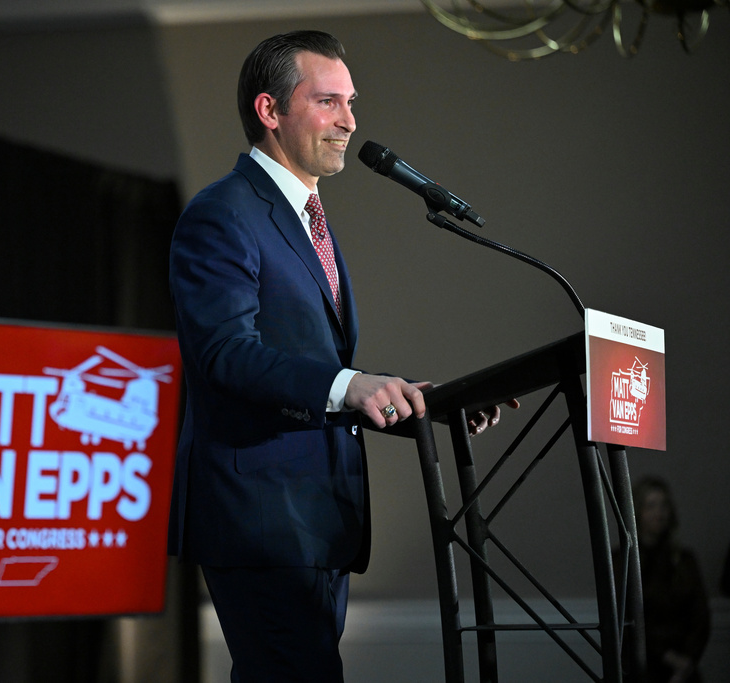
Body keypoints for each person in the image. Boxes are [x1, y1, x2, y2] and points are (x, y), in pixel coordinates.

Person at [166, 30, 513, 681]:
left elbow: (311, 369)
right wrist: (353, 385)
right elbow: (225, 354)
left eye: (350, 102)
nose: (351, 121)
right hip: (263, 519)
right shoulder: (223, 214)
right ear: (270, 111)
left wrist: (424, 403)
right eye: (329, 102)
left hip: (318, 517)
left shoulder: (306, 216)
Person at [634, 475, 711, 683]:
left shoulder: (683, 560)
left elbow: (700, 616)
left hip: (685, 668)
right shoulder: (626, 562)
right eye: (651, 506)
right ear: (638, 511)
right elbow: (629, 619)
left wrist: (686, 662)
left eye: (663, 505)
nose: (659, 513)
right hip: (643, 668)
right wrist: (667, 657)